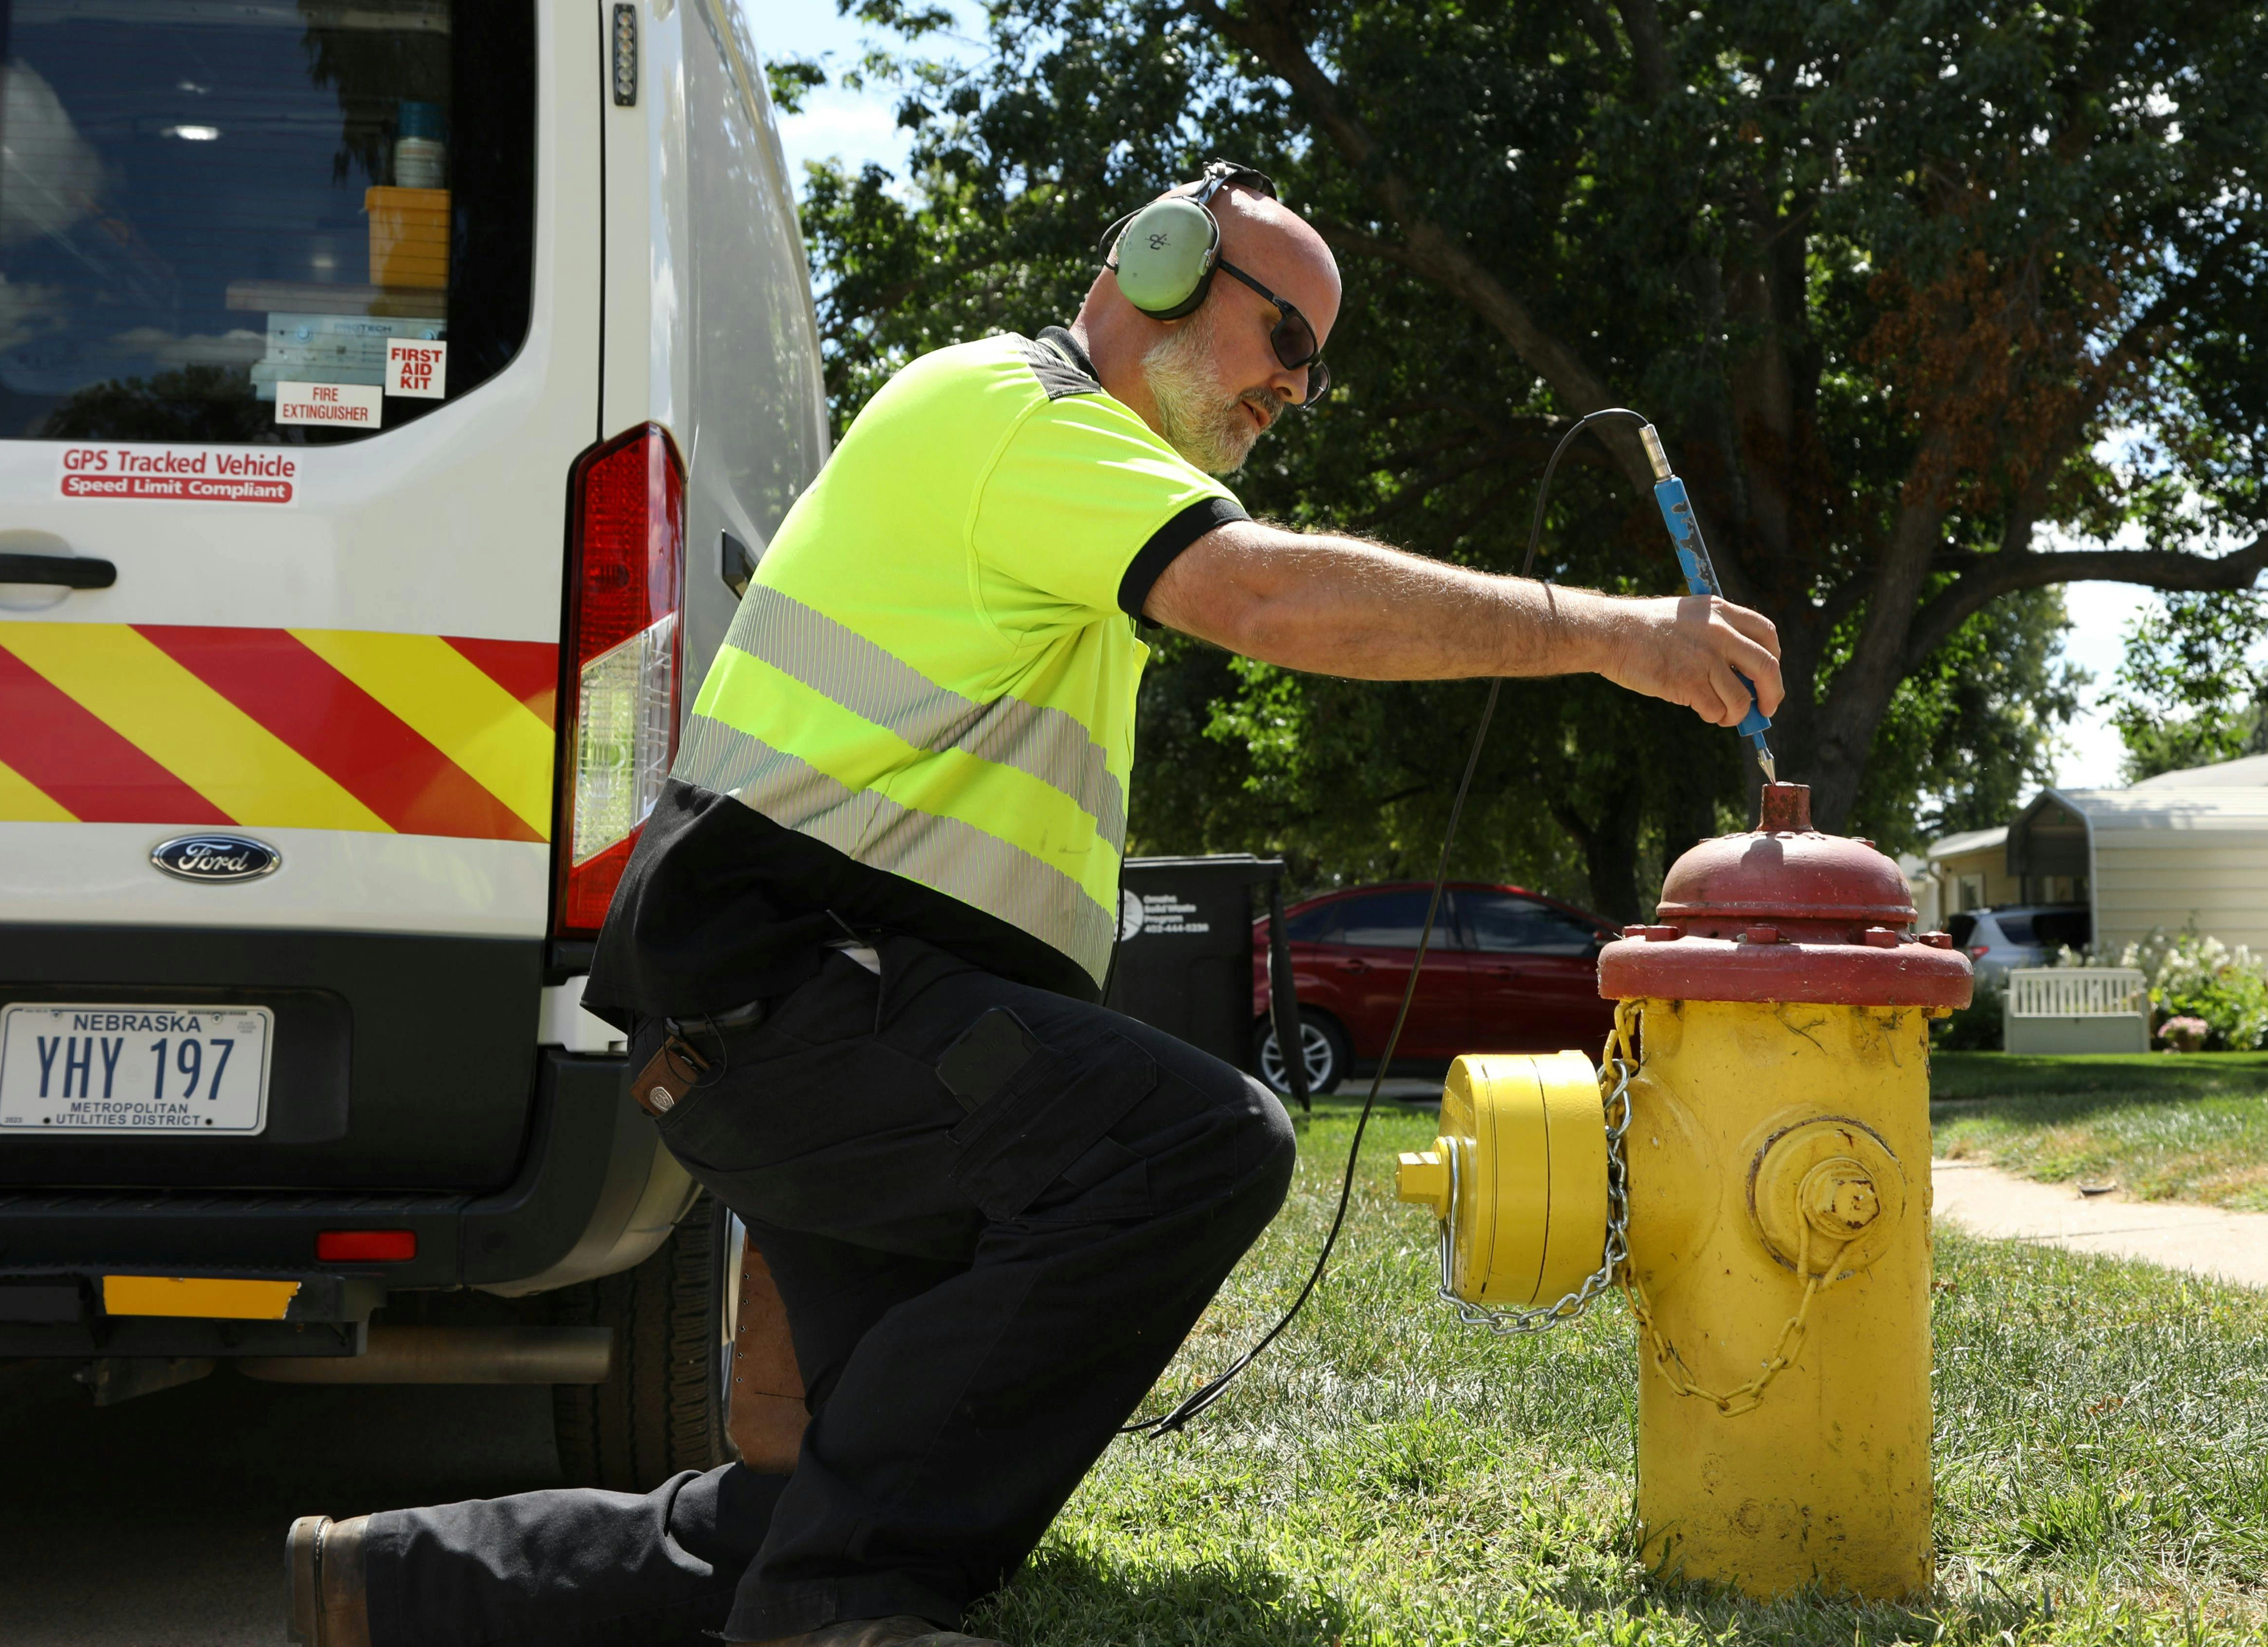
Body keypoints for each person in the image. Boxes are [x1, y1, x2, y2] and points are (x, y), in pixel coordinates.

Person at [284, 160, 1782, 1647]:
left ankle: (386, 1580)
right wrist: (1615, 637)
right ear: (1159, 265)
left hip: (803, 1020)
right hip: (809, 992)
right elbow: (1266, 598)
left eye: (1314, 371)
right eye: (1290, 342)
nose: (1297, 394)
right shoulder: (1016, 415)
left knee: (828, 1485)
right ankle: (835, 1615)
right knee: (1202, 1145)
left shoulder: (1054, 508)